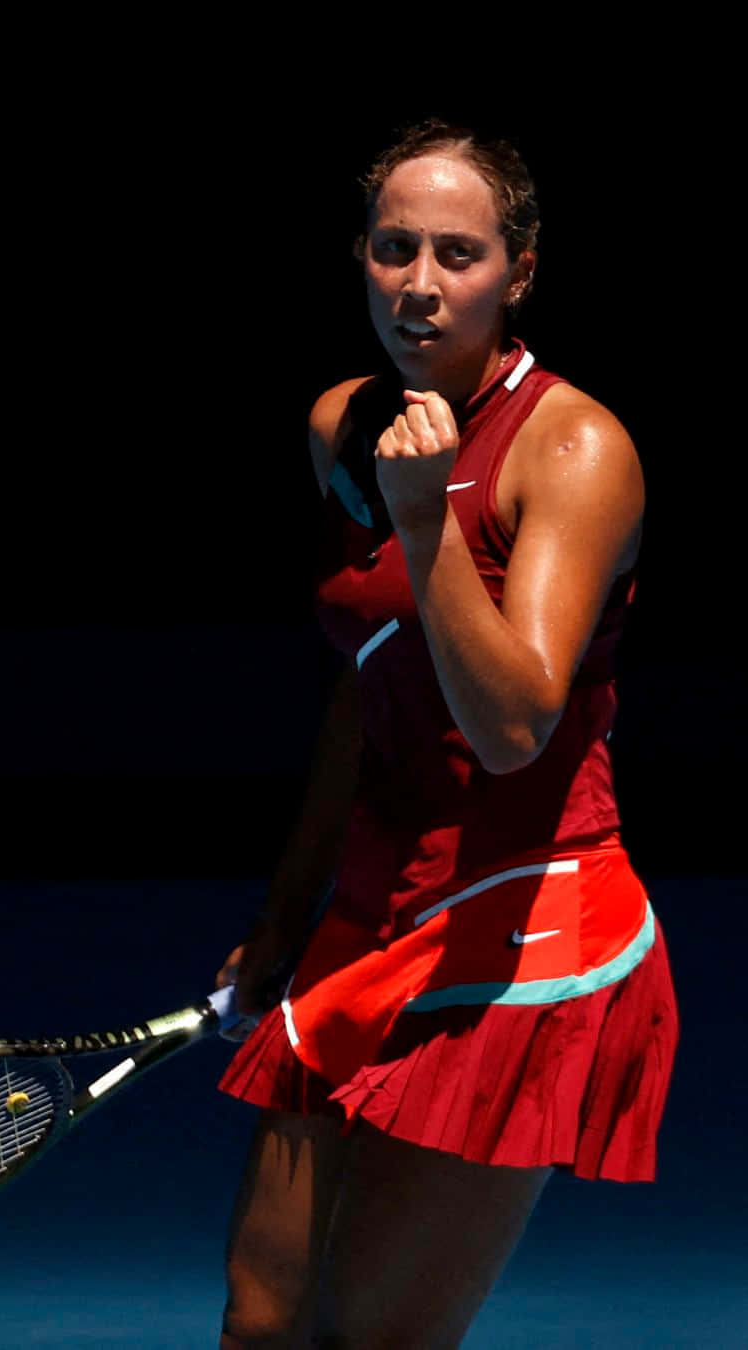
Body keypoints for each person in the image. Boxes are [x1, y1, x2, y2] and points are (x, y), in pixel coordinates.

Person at [213, 119, 680, 1350]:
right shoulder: (342, 425)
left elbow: (518, 720)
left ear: (518, 272)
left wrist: (428, 529)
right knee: (260, 1326)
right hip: (372, 916)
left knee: (372, 1339)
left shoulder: (576, 450)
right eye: (394, 248)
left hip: (527, 924)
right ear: (361, 257)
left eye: (459, 255)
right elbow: (368, 687)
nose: (421, 284)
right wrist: (288, 912)